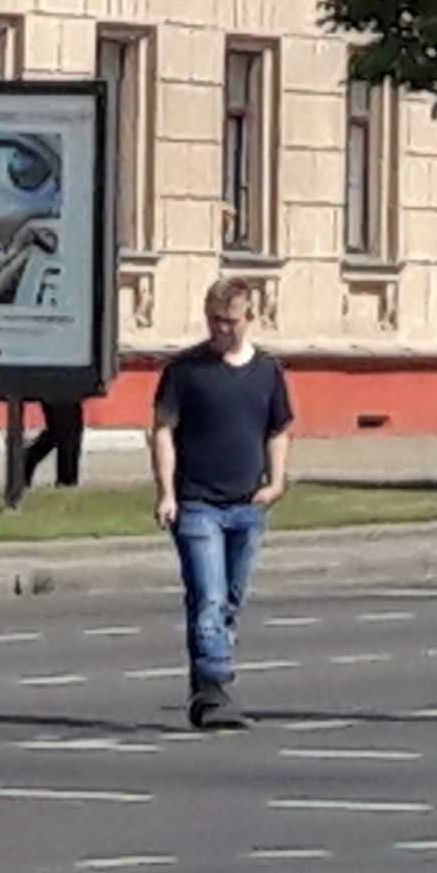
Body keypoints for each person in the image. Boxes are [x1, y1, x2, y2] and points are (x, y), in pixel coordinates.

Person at [148, 279, 292, 731]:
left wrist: (276, 483)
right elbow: (163, 429)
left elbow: (278, 429)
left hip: (247, 504)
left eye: (229, 321)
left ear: (250, 319)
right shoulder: (185, 371)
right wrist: (167, 493)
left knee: (229, 599)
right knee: (207, 597)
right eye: (213, 320)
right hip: (197, 503)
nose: (220, 330)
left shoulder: (267, 371)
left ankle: (204, 691)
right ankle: (215, 685)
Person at [9, 397, 88, 500]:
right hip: (58, 388)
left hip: (62, 388)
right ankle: (66, 480)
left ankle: (28, 461)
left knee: (64, 429)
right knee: (65, 429)